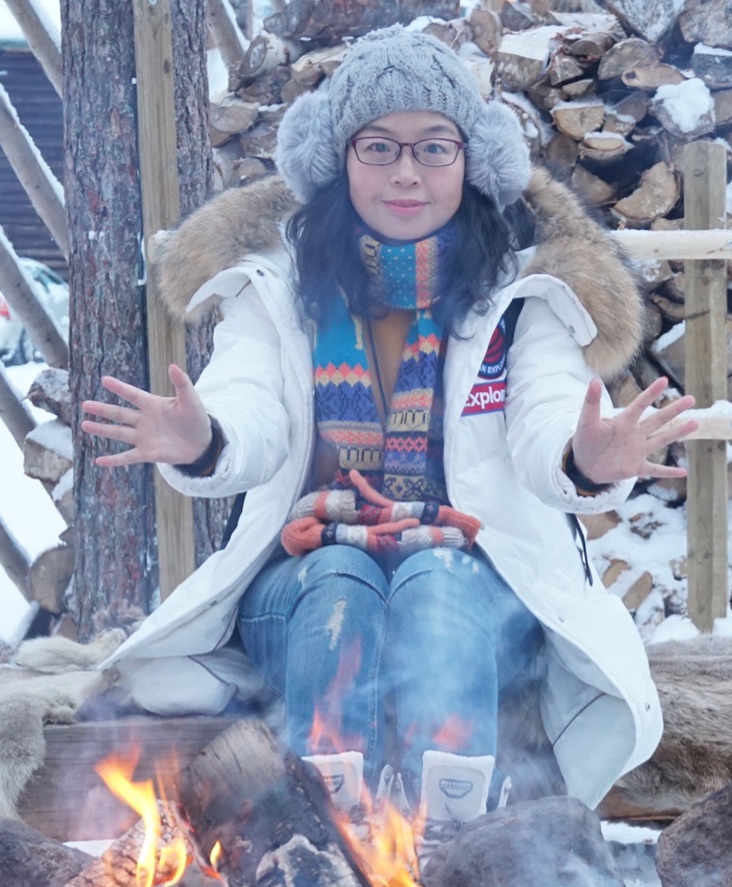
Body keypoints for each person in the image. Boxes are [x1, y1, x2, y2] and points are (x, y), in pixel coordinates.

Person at [82, 26, 696, 844]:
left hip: (475, 600)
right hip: (302, 594)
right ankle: (327, 831)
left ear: (470, 162)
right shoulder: (276, 288)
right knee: (341, 574)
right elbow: (249, 406)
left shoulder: (522, 298)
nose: (406, 171)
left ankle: (454, 842)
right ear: (339, 159)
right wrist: (205, 435)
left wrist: (583, 460)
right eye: (379, 146)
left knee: (437, 576)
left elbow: (545, 416)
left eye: (432, 147)